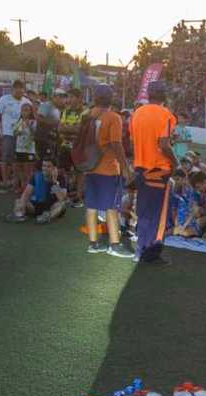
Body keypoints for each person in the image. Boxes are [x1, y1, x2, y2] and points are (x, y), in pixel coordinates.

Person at [128, 80, 178, 265]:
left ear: (148, 95)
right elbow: (164, 144)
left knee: (143, 212)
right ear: (164, 95)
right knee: (157, 215)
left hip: (140, 167)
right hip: (158, 169)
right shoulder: (166, 115)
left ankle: (140, 250)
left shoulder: (137, 113)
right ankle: (150, 253)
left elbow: (133, 142)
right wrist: (175, 162)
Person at [84, 85, 133, 258]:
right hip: (108, 168)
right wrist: (125, 168)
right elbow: (116, 144)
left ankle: (93, 244)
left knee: (91, 206)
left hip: (90, 166)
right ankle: (114, 244)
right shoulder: (113, 117)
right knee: (112, 207)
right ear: (111, 99)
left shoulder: (88, 115)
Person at [0, 80, 32, 193]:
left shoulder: (27, 101)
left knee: (19, 161)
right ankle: (5, 183)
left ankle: (18, 184)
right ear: (12, 89)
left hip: (23, 138)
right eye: (17, 88)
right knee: (6, 159)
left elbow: (32, 118)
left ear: (24, 89)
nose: (19, 90)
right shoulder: (4, 99)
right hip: (8, 134)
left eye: (21, 88)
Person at [7, 158, 67, 224]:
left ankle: (47, 217)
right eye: (44, 166)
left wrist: (54, 181)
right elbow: (26, 194)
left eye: (48, 166)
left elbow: (62, 198)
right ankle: (19, 215)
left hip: (51, 208)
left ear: (54, 168)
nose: (45, 168)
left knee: (61, 205)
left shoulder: (61, 178)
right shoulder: (36, 176)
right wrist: (21, 205)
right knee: (19, 200)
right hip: (36, 206)